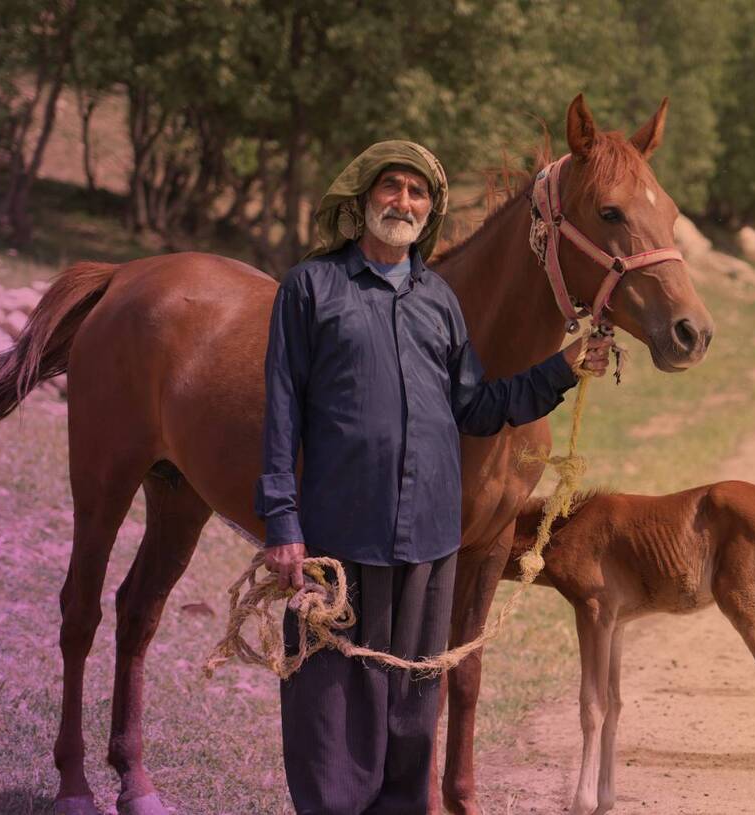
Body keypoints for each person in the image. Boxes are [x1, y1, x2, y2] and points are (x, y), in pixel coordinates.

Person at [253, 140, 610, 814]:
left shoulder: (438, 301)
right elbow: (280, 414)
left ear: (431, 212)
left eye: (419, 194)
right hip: (338, 532)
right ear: (363, 197)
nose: (405, 203)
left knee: (413, 708)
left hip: (429, 537)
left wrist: (563, 367)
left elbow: (476, 407)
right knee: (330, 707)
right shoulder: (311, 288)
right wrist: (282, 522)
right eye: (393, 187)